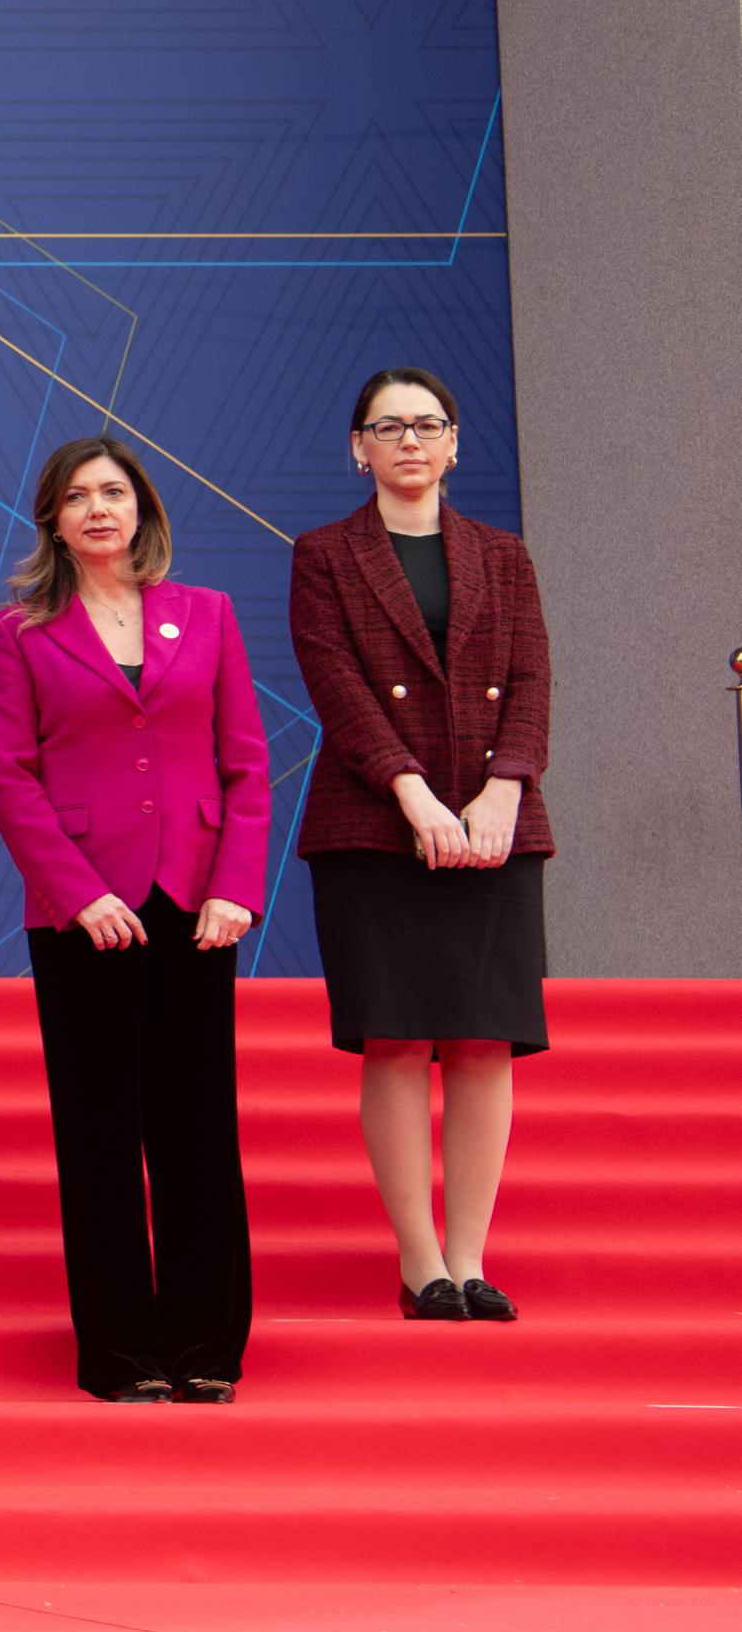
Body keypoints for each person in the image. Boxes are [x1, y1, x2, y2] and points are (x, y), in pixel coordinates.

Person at [0, 437, 270, 1404]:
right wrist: (79, 892)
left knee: (196, 1125)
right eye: (77, 496)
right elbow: (10, 778)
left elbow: (245, 766)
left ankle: (207, 1347)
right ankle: (119, 1351)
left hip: (196, 902)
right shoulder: (18, 632)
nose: (98, 508)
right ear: (52, 521)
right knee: (98, 1131)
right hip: (82, 910)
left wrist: (234, 885)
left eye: (114, 492)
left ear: (141, 507)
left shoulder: (209, 617)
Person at [286, 369, 554, 1323]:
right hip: (372, 825)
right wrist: (412, 795)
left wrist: (501, 791)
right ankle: (422, 1263)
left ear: (454, 442)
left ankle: (473, 1258)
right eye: (387, 427)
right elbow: (338, 684)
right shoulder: (323, 555)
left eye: (427, 424)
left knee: (485, 1044)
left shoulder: (503, 555)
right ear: (358, 447)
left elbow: (530, 681)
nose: (409, 441)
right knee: (396, 1043)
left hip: (494, 824)